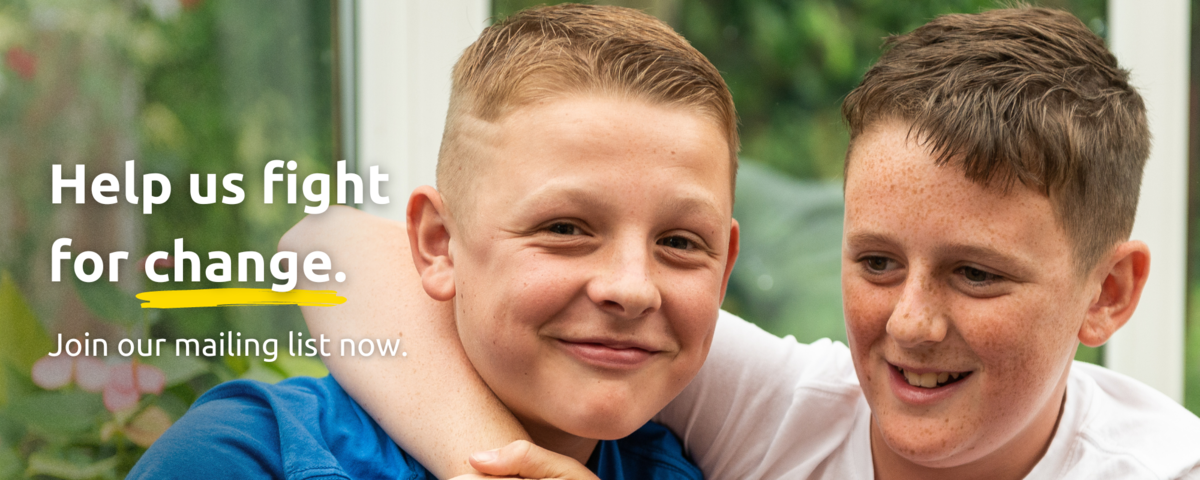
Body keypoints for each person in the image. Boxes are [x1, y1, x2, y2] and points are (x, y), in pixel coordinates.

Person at [288, 6, 1200, 480]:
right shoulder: (782, 410)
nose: (913, 324)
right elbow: (328, 246)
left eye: (976, 274)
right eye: (877, 262)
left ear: (1107, 294)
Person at [129, 4, 743, 478]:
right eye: (564, 229)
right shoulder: (240, 458)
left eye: (682, 242)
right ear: (438, 244)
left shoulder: (680, 467)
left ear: (726, 267)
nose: (631, 288)